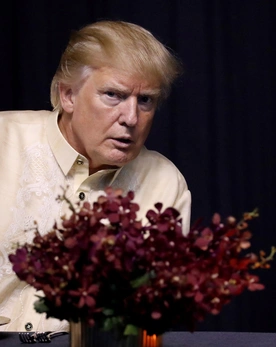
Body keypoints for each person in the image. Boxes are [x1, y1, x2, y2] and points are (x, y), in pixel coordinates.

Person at [0, 20, 191, 332]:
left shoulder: (164, 183)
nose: (131, 118)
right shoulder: (3, 141)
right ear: (69, 96)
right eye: (113, 95)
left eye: (145, 101)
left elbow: (153, 317)